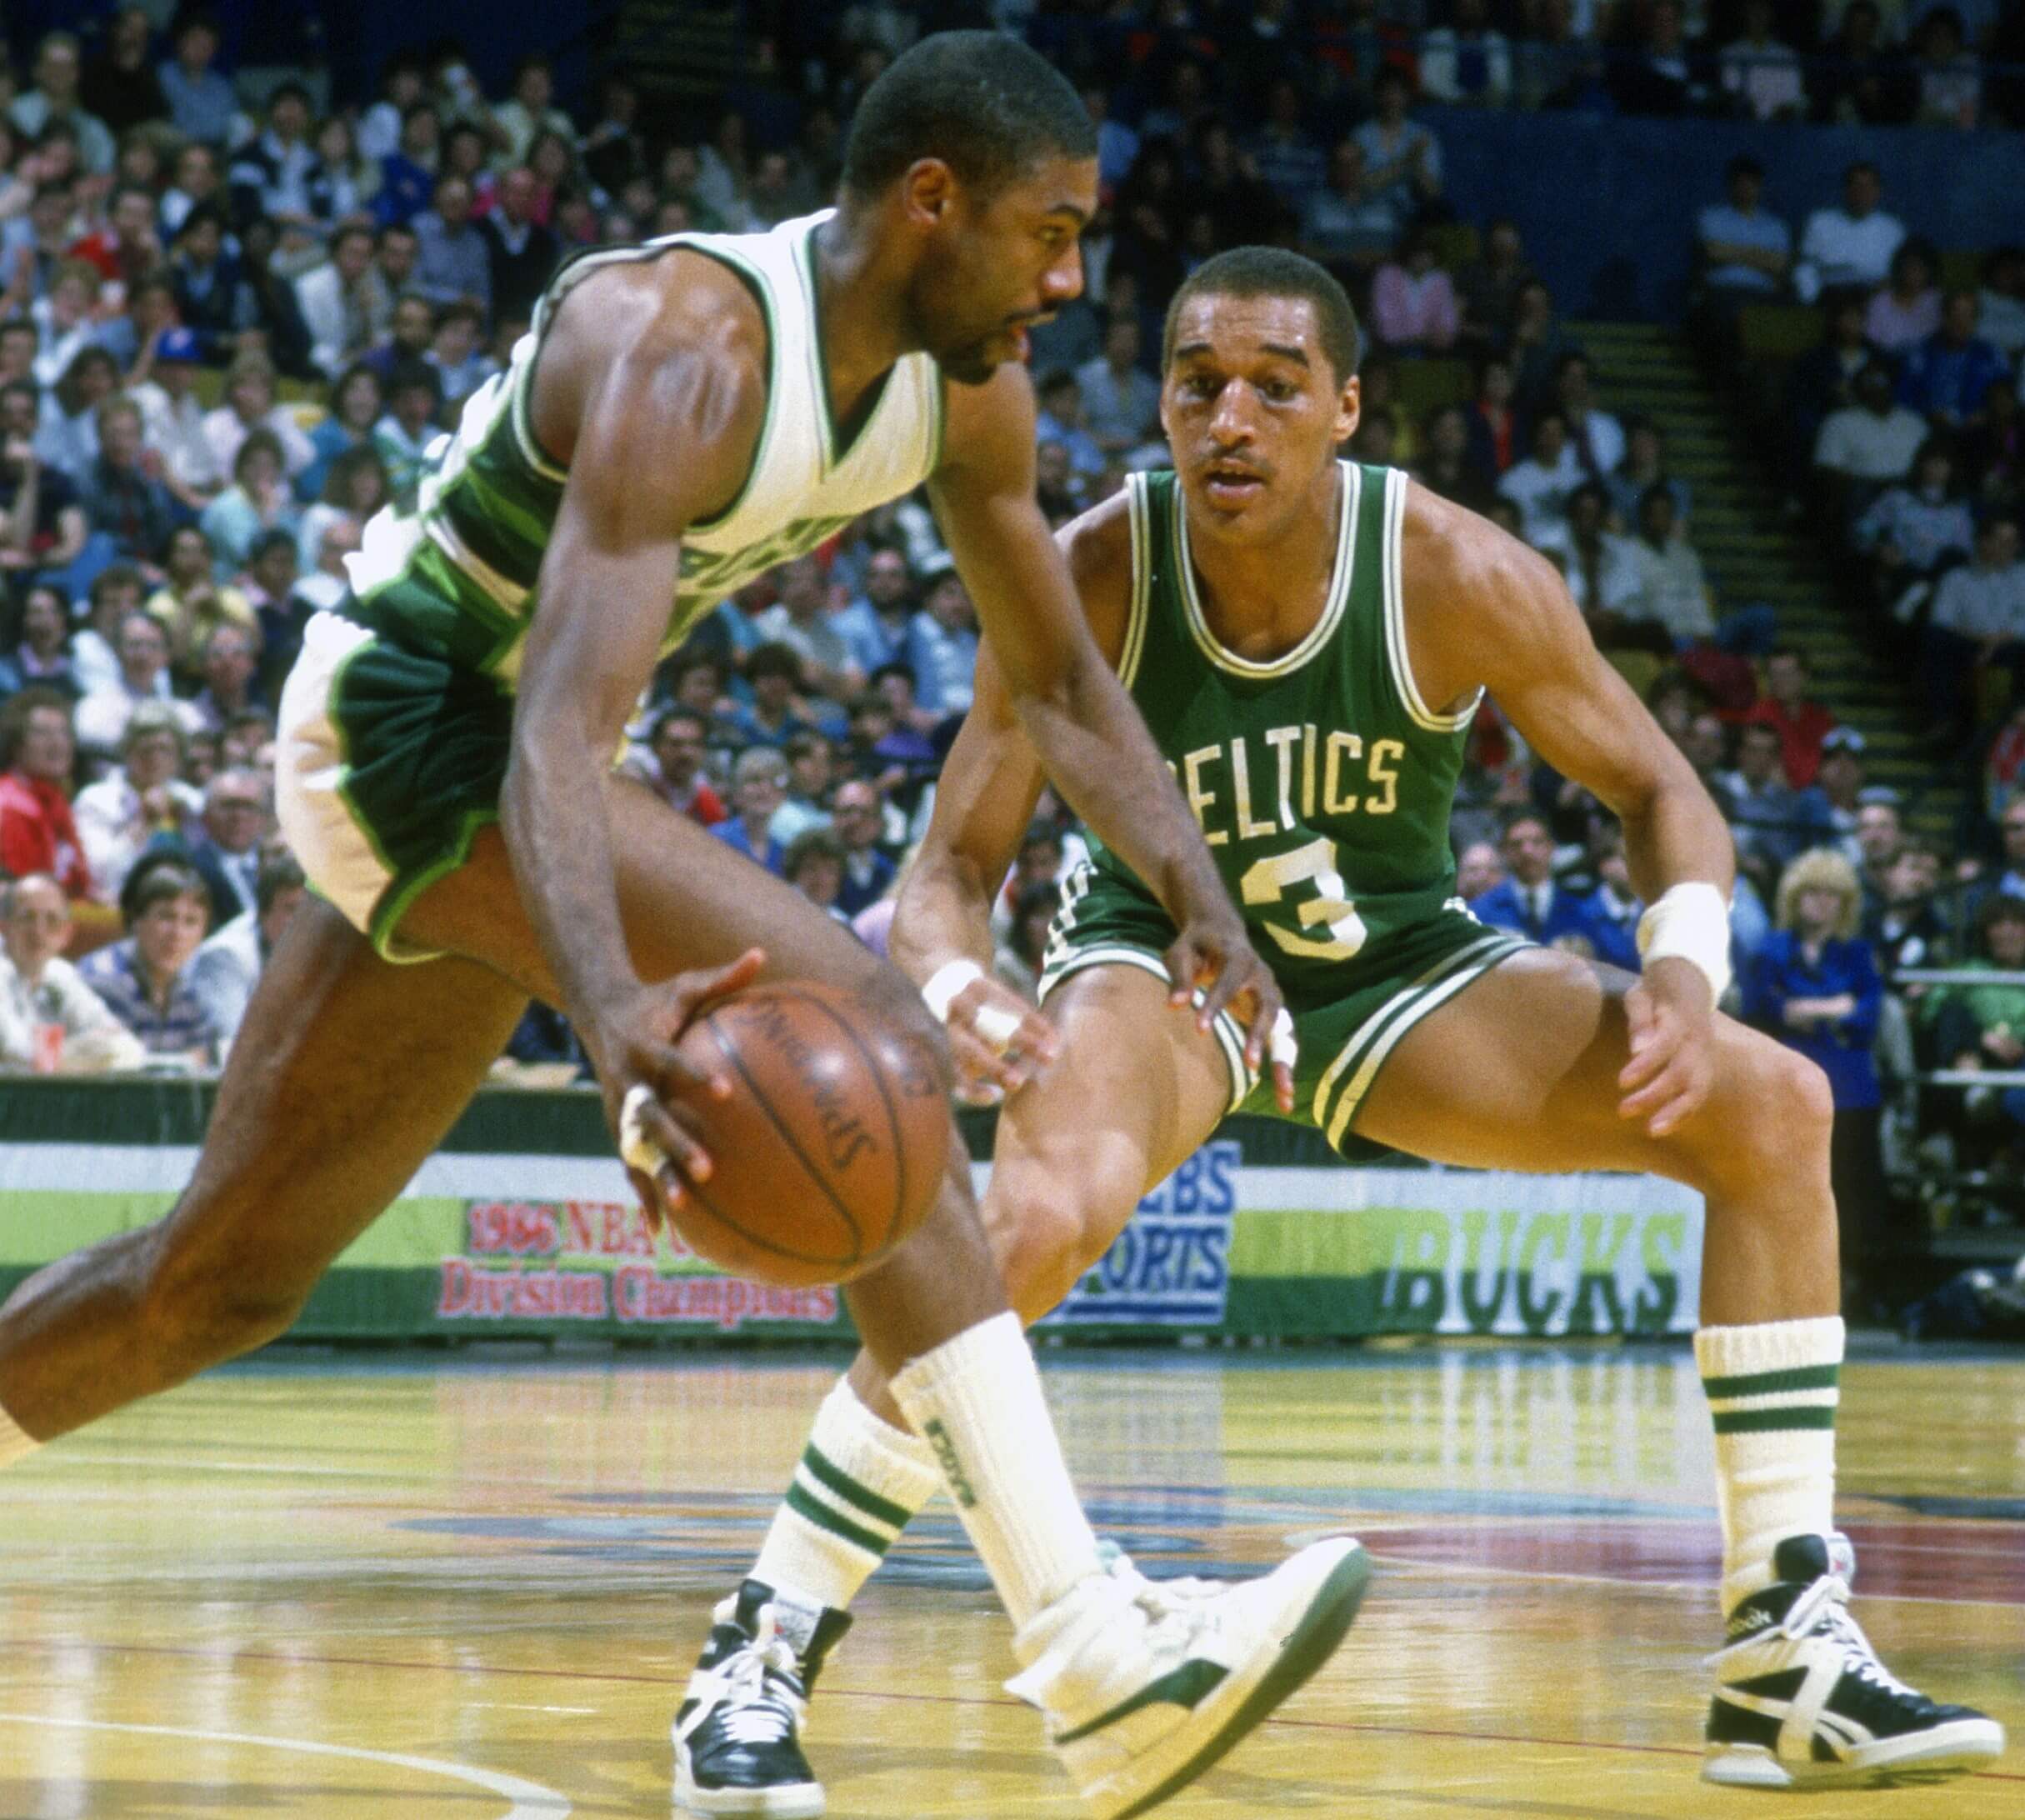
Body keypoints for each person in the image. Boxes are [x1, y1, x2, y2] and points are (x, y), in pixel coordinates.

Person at [0, 42, 1338, 1820]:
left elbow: (1064, 682)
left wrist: (1200, 895)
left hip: (520, 771)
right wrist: (608, 1003)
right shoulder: (689, 346)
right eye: (1052, 230)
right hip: (411, 729)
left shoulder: (970, 387)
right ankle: (1092, 1656)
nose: (1073, 279)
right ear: (930, 200)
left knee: (219, 1284)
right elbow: (551, 727)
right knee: (865, 1014)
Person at [699, 245, 2001, 1810]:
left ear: (1348, 409)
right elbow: (946, 877)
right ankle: (761, 1638)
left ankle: (1784, 1653)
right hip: (1163, 961)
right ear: (1163, 404)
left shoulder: (1455, 569)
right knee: (1031, 1214)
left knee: (1776, 1105)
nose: (1231, 416)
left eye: (1274, 385)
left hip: (1386, 967)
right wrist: (969, 993)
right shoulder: (1096, 571)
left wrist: (1684, 969)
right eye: (1198, 384)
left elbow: (1664, 790)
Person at [1742, 849, 1887, 1304]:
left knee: (1848, 1187)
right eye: (1811, 893)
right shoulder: (1771, 949)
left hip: (1850, 1089)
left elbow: (1867, 1017)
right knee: (1787, 1187)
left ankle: (1849, 1280)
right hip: (1787, 1086)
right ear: (1794, 897)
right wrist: (1834, 1006)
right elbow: (1762, 1009)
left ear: (1844, 903)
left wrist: (1804, 1008)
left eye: (1831, 895)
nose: (1820, 903)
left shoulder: (1858, 953)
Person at [77, 853, 218, 1064]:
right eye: (166, 917)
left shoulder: (193, 987)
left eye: (191, 922)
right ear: (137, 920)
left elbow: (202, 1061)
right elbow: (118, 1064)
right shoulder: (104, 978)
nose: (177, 933)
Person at [0, 872, 146, 1072]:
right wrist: (91, 1053)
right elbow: (16, 1053)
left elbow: (128, 1047)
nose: (39, 931)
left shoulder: (61, 974)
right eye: (27, 918)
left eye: (52, 920)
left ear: (66, 933)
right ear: (4, 926)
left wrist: (61, 1057)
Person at [185, 847, 308, 1050]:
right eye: (291, 909)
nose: (303, 920)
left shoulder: (317, 947)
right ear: (262, 913)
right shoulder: (225, 956)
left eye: (308, 910)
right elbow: (234, 1042)